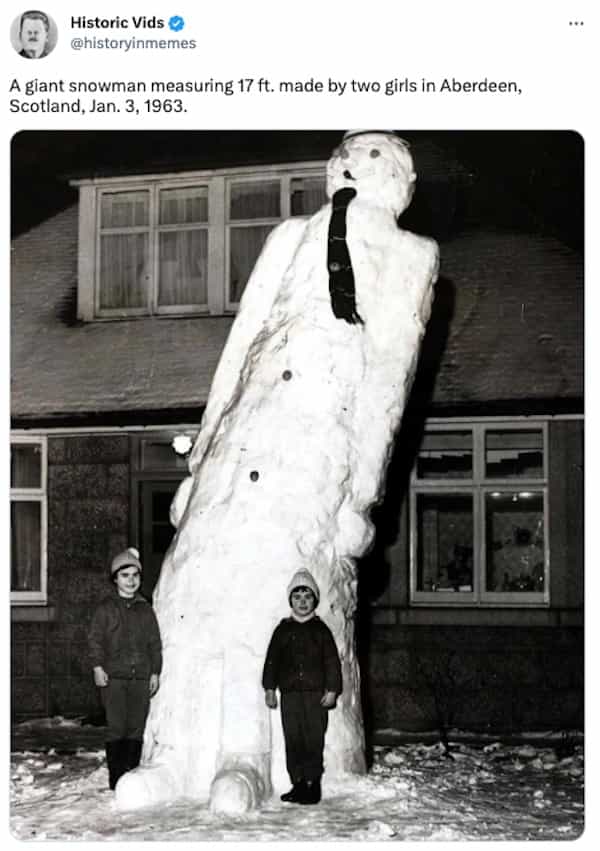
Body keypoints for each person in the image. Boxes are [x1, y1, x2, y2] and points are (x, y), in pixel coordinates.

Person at [262, 569, 342, 805]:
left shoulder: (321, 630)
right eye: (297, 597)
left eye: (307, 597)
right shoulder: (283, 630)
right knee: (293, 739)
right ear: (290, 601)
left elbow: (331, 662)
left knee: (313, 739)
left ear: (315, 600)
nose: (303, 602)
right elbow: (272, 660)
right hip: (290, 696)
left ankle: (312, 784)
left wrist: (332, 689)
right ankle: (297, 783)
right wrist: (269, 688)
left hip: (315, 696)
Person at [88, 547, 162, 790]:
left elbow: (154, 643)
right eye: (125, 575)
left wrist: (154, 671)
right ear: (115, 579)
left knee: (135, 728)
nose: (131, 581)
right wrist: (98, 666)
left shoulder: (145, 609)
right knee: (117, 727)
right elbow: (95, 639)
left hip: (140, 677)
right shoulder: (106, 609)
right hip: (114, 678)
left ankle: (130, 780)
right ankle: (116, 780)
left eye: (135, 575)